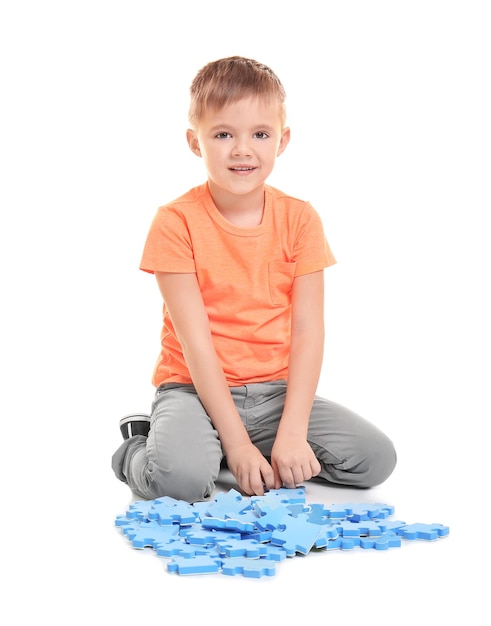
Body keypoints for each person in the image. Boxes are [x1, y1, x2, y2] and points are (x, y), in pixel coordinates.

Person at [112, 56, 397, 503]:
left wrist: (293, 432)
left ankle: (230, 450)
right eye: (223, 134)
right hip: (193, 389)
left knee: (375, 460)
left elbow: (308, 332)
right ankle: (138, 447)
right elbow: (196, 343)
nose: (242, 150)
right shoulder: (175, 222)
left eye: (259, 134)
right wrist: (239, 444)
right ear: (194, 142)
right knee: (181, 482)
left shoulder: (300, 218)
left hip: (274, 393)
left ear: (282, 140)